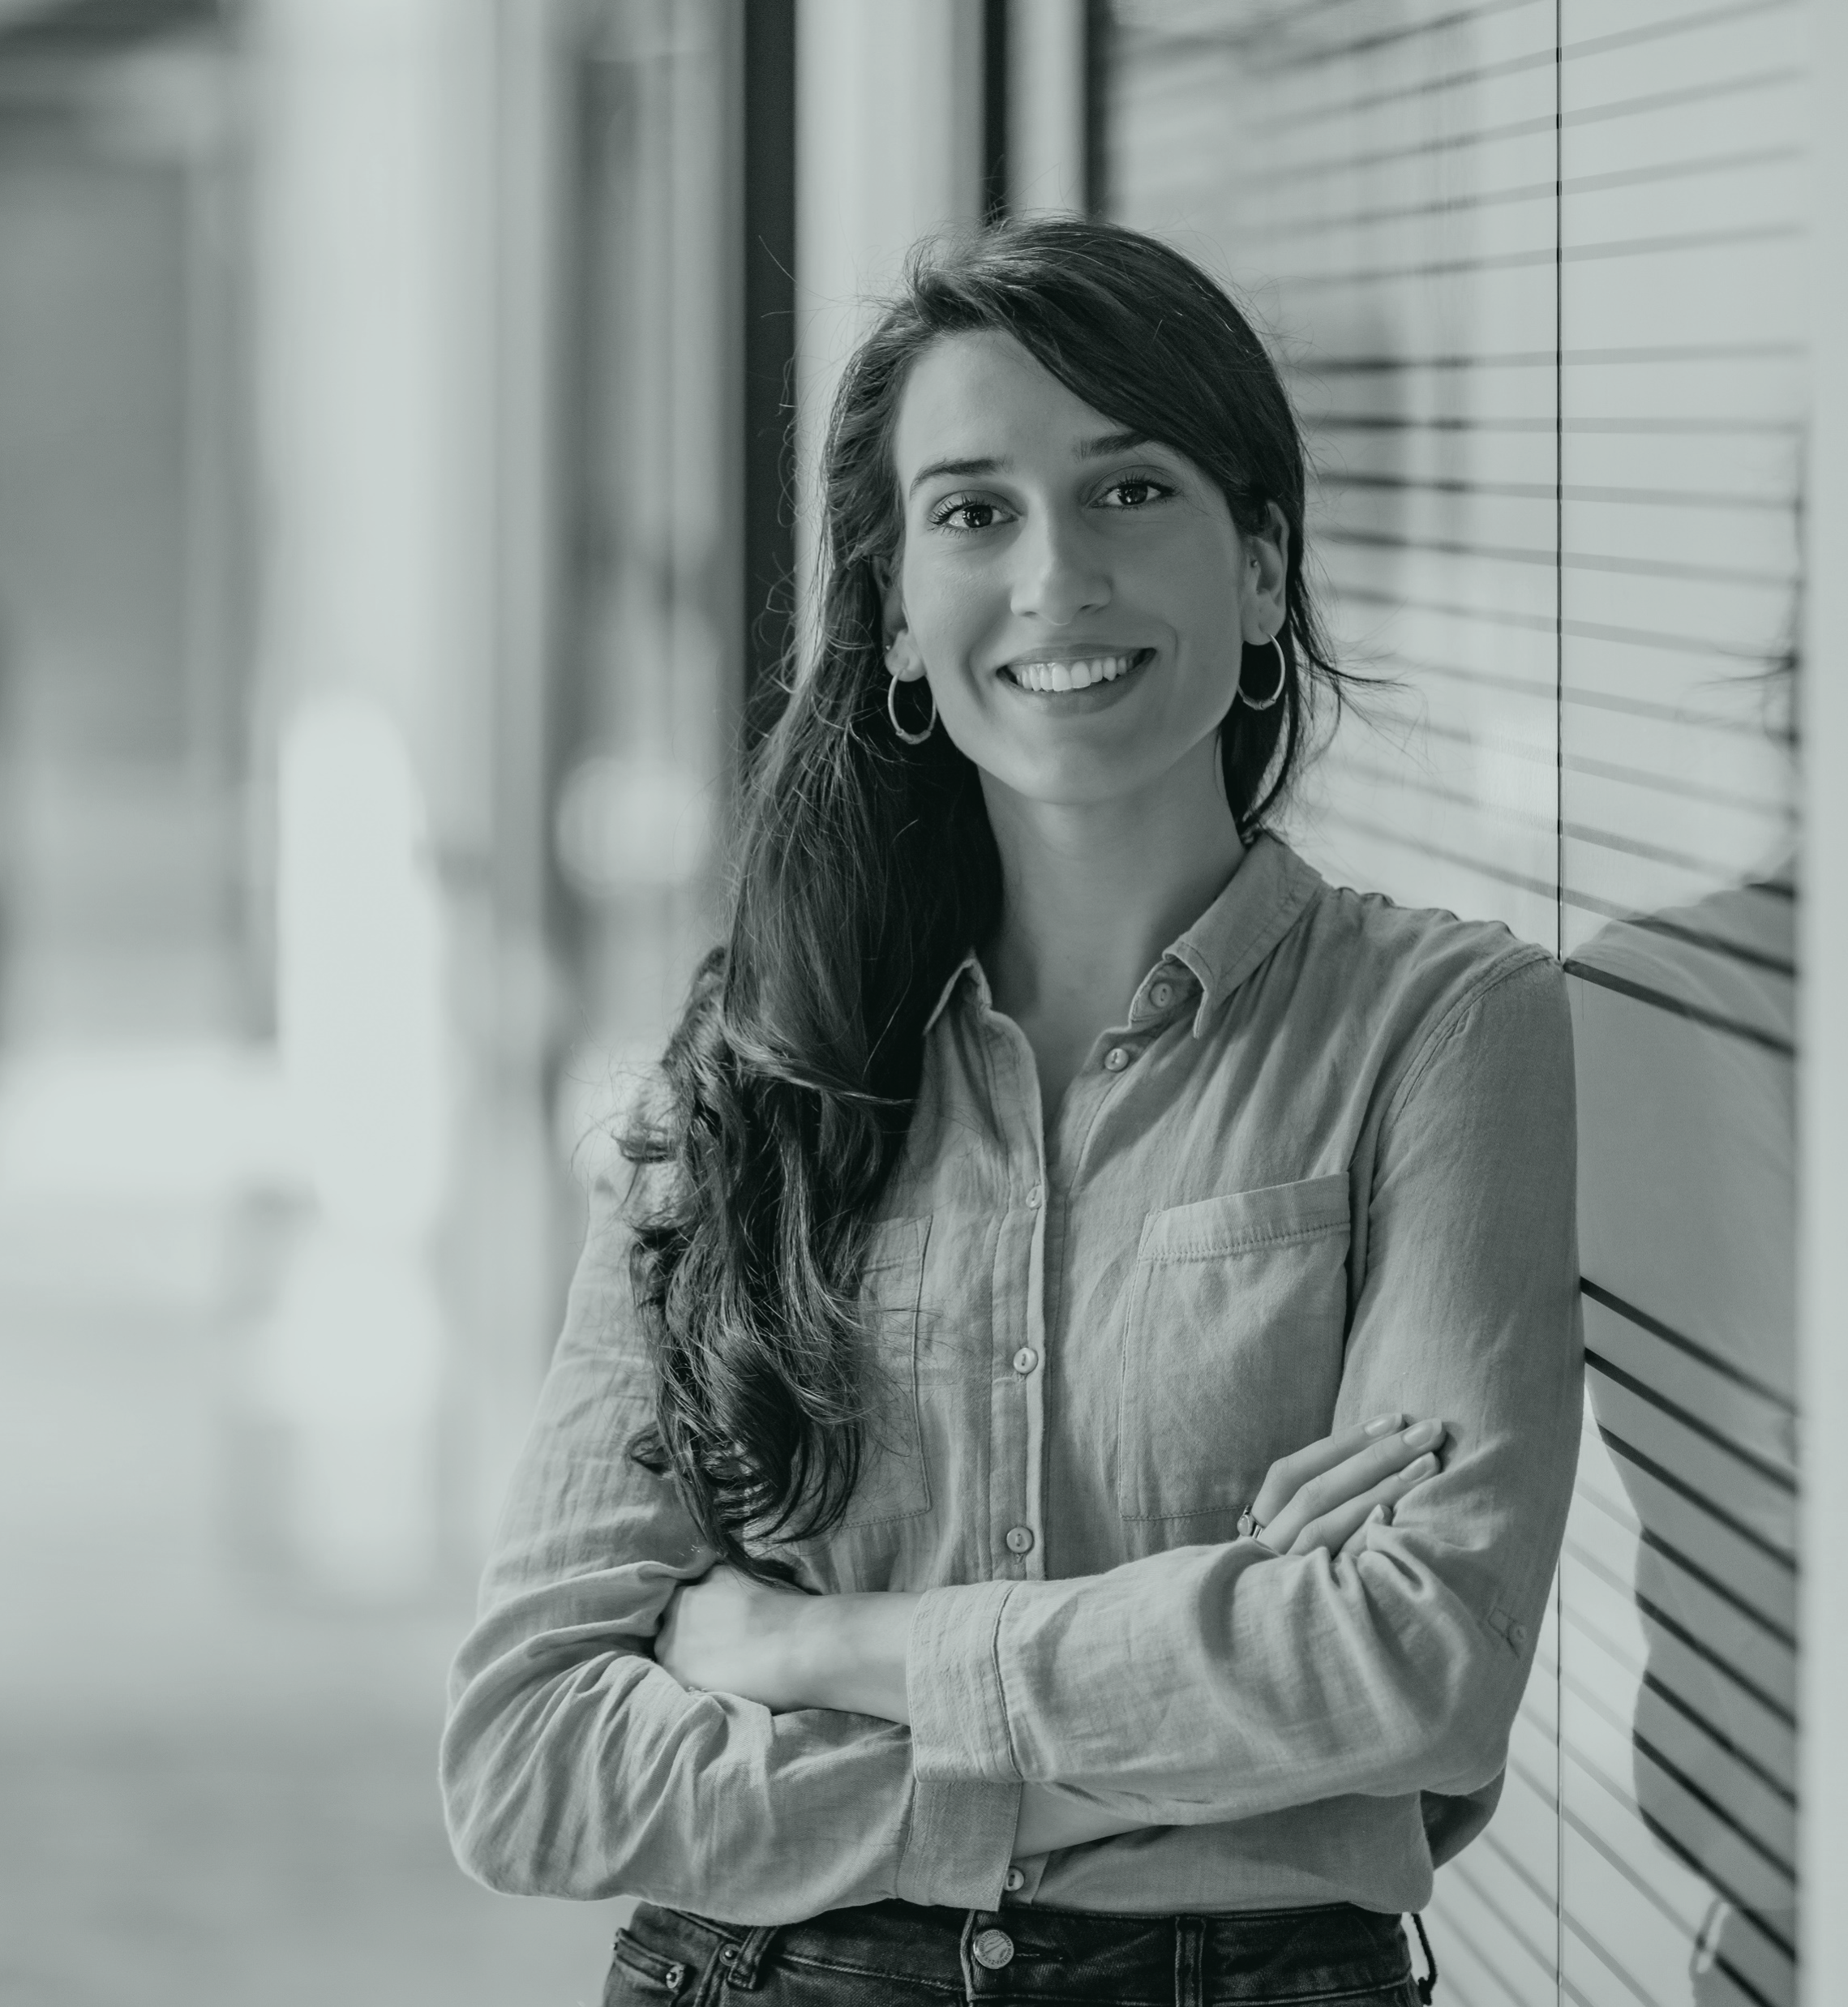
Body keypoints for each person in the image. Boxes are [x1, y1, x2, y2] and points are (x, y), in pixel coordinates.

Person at [440, 218, 1579, 2004]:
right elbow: (525, 1758)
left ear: (1262, 569)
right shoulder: (751, 1073)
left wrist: (817, 1643)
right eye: (974, 512)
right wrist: (1204, 1724)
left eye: (1130, 493)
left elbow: (1414, 1666)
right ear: (894, 608)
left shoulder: (1442, 1027)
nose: (1056, 576)